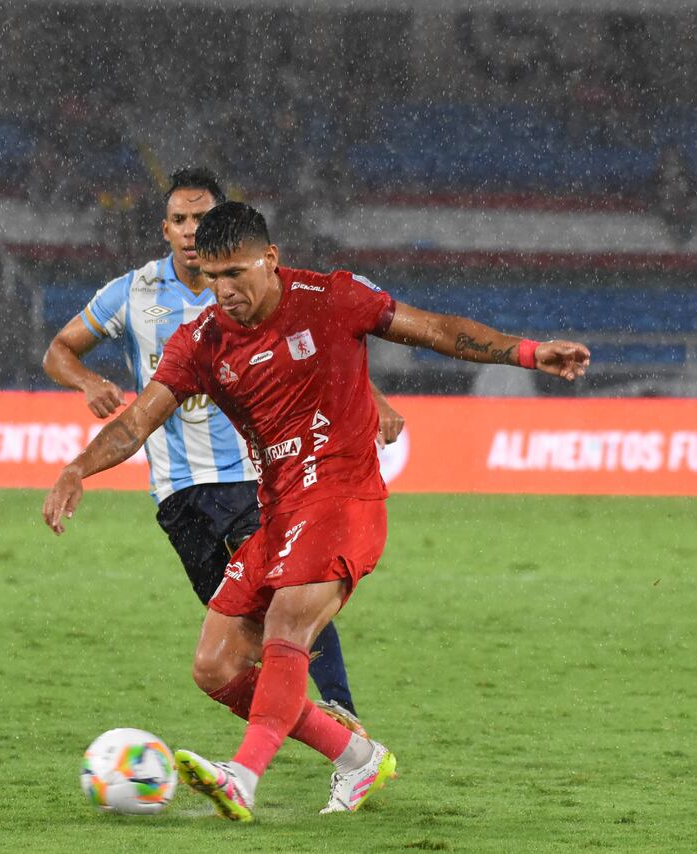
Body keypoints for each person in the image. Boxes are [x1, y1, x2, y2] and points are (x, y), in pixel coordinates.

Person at [41, 202, 589, 821]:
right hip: (277, 511)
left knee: (285, 627)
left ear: (270, 260)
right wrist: (76, 468)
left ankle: (242, 777)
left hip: (344, 498)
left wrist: (527, 352)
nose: (224, 291)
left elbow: (435, 329)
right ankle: (355, 757)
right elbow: (137, 422)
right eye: (213, 277)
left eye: (236, 274)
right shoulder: (201, 341)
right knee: (215, 666)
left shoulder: (332, 297)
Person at [42, 169, 402, 733]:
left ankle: (340, 707)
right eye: (180, 221)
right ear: (164, 229)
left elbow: (316, 348)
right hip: (179, 491)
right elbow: (59, 350)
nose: (191, 231)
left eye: (202, 219)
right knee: (237, 636)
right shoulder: (130, 293)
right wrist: (88, 383)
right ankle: (329, 737)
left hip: (256, 473)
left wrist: (371, 396)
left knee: (293, 583)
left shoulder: (257, 283)